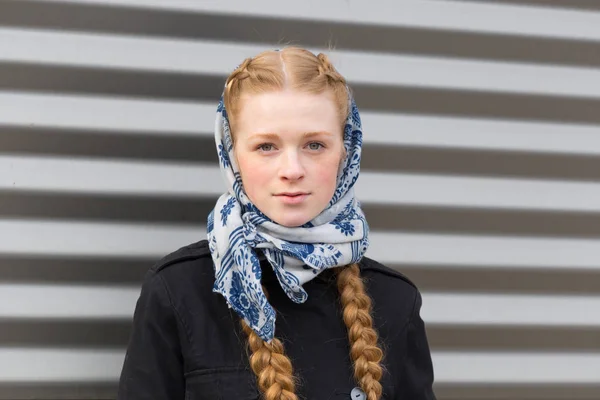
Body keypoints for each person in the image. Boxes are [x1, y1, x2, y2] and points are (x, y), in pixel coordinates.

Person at [117, 47, 436, 400]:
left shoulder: (394, 301)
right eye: (267, 146)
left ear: (346, 151)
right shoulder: (178, 291)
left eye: (314, 145)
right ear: (231, 153)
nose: (292, 170)